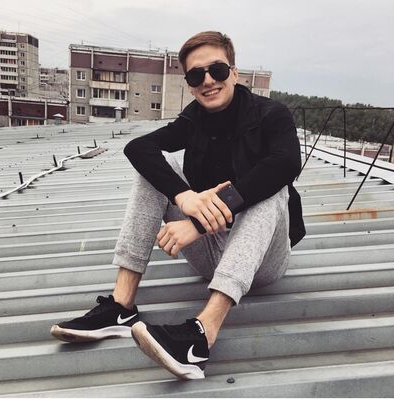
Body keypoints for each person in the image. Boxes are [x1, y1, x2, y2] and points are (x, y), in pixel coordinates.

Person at [51, 31, 305, 380]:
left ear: (234, 73)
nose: (208, 81)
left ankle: (201, 335)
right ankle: (121, 306)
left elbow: (286, 163)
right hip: (211, 254)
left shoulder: (271, 114)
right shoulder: (194, 119)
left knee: (274, 189)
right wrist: (185, 197)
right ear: (189, 84)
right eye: (196, 75)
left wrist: (198, 222)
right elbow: (138, 148)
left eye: (217, 70)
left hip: (262, 262)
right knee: (155, 169)